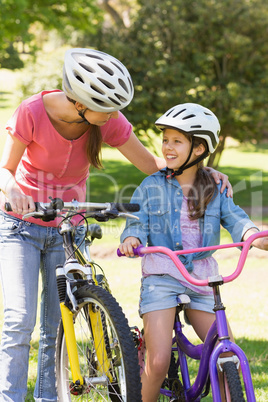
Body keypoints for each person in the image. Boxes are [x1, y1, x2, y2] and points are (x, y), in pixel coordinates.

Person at [0, 47, 230, 402]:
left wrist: (202, 169)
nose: (111, 117)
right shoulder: (32, 112)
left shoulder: (106, 121)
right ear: (80, 102)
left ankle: (47, 397)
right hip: (21, 225)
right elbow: (6, 169)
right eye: (105, 109)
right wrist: (14, 190)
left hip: (68, 228)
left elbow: (152, 165)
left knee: (55, 326)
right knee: (18, 321)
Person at [119, 103, 268, 402]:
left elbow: (237, 219)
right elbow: (136, 221)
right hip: (162, 277)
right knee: (159, 360)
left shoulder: (215, 187)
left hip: (201, 280)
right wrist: (132, 238)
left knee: (227, 355)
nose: (167, 147)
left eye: (177, 141)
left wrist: (254, 236)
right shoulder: (151, 186)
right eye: (165, 140)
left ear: (199, 148)